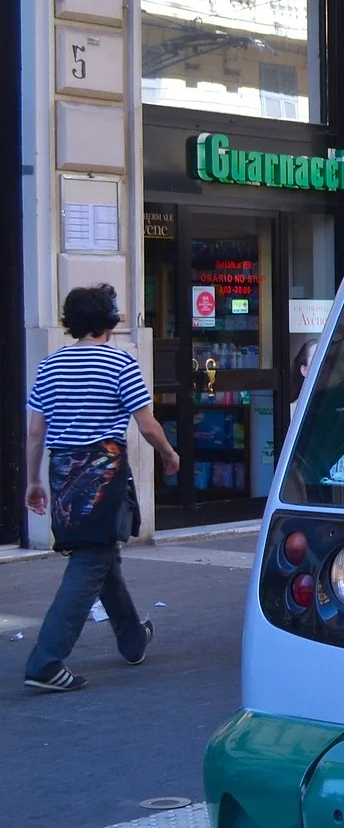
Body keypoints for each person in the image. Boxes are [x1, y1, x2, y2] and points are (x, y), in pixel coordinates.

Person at [21, 285, 180, 692]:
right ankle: (46, 660)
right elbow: (146, 424)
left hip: (63, 470)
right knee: (91, 561)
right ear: (110, 320)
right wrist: (167, 453)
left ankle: (132, 640)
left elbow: (36, 431)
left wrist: (34, 480)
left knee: (101, 553)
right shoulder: (121, 363)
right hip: (103, 472)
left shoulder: (50, 365)